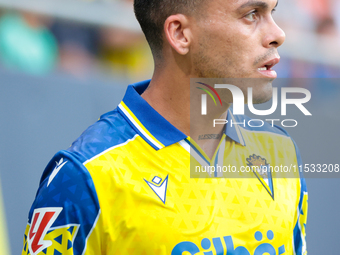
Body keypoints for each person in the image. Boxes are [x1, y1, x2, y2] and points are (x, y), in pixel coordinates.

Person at [22, 0, 308, 254]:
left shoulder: (280, 152)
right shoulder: (88, 175)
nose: (277, 34)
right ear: (180, 34)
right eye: (251, 14)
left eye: (273, 11)